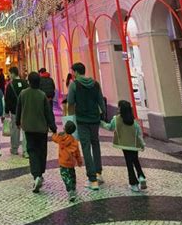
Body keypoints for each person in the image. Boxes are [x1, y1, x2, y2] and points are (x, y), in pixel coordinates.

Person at [16, 71, 57, 193]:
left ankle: (36, 175)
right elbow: (48, 113)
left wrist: (18, 122)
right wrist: (53, 127)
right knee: (42, 151)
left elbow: (19, 109)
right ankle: (40, 172)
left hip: (28, 127)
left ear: (29, 81)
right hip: (41, 128)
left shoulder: (23, 94)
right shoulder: (42, 95)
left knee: (32, 150)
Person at [67, 62, 105, 190]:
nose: (72, 74)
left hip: (82, 120)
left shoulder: (74, 85)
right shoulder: (95, 84)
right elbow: (101, 101)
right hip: (94, 119)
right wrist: (102, 115)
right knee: (96, 144)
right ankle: (98, 173)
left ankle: (92, 179)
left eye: (73, 72)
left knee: (86, 147)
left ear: (76, 72)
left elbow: (71, 102)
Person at [101, 100, 147, 192]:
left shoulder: (116, 119)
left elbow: (110, 127)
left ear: (121, 109)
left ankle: (133, 184)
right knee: (136, 161)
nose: (117, 108)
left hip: (125, 146)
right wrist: (142, 144)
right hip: (135, 145)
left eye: (119, 107)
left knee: (129, 164)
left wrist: (101, 123)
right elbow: (139, 134)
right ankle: (141, 177)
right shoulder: (133, 121)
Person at [52, 120, 83, 202]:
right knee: (72, 175)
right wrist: (79, 162)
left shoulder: (61, 138)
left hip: (63, 162)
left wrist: (56, 134)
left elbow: (54, 138)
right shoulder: (75, 141)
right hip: (71, 163)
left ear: (64, 128)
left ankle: (70, 191)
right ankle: (73, 187)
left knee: (65, 176)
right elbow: (77, 153)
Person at [4, 66, 28, 157]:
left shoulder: (10, 85)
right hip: (25, 111)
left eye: (9, 73)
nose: (9, 75)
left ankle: (14, 149)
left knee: (15, 130)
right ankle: (25, 151)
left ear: (13, 73)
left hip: (14, 112)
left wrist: (6, 112)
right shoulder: (25, 83)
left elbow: (7, 100)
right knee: (25, 131)